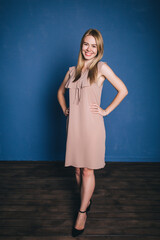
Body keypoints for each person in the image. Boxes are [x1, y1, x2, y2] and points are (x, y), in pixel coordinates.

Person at [57, 28, 128, 237]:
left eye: (93, 45)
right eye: (86, 44)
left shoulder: (102, 68)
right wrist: (64, 109)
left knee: (88, 170)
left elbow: (123, 90)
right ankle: (86, 198)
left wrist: (105, 110)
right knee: (77, 170)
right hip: (74, 127)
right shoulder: (72, 70)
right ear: (81, 45)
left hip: (93, 128)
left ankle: (82, 212)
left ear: (99, 49)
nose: (89, 49)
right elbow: (60, 92)